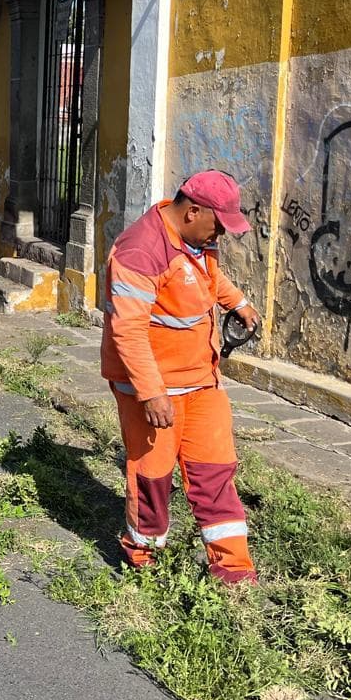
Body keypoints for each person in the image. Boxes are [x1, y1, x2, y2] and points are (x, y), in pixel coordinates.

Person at [100, 170, 261, 584]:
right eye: (219, 225)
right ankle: (142, 557)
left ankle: (234, 572)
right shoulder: (141, 250)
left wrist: (237, 302)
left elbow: (208, 278)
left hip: (201, 379)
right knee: (153, 476)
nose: (221, 235)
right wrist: (151, 393)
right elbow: (128, 330)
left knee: (215, 470)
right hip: (154, 388)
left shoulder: (198, 241)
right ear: (193, 212)